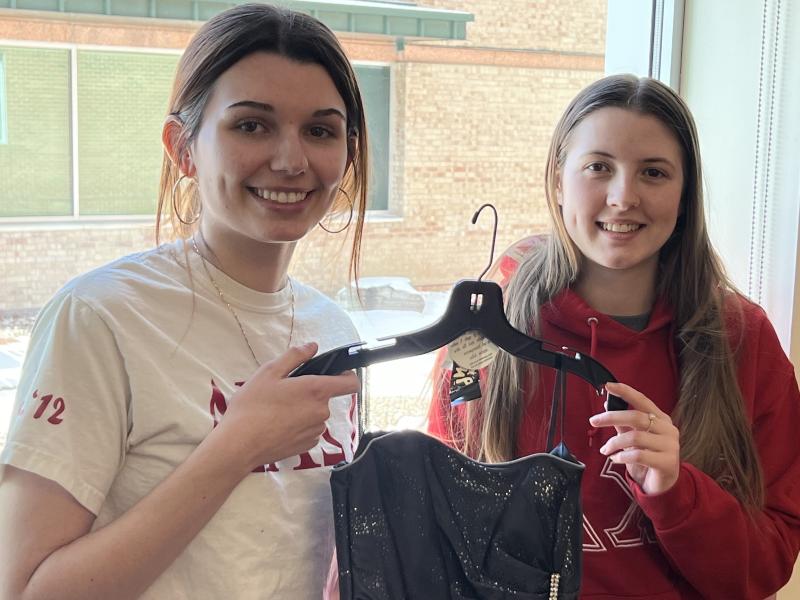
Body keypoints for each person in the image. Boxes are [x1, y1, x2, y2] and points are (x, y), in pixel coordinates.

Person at [0, 4, 370, 598]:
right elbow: (27, 590)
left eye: (320, 130)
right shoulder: (101, 317)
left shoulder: (333, 328)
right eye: (252, 125)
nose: (292, 160)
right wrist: (237, 445)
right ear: (183, 148)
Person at [428, 74, 800, 599]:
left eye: (653, 172)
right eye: (599, 167)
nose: (624, 197)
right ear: (558, 180)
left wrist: (676, 491)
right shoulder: (487, 332)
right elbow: (441, 532)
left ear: (685, 192)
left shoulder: (744, 338)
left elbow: (766, 566)